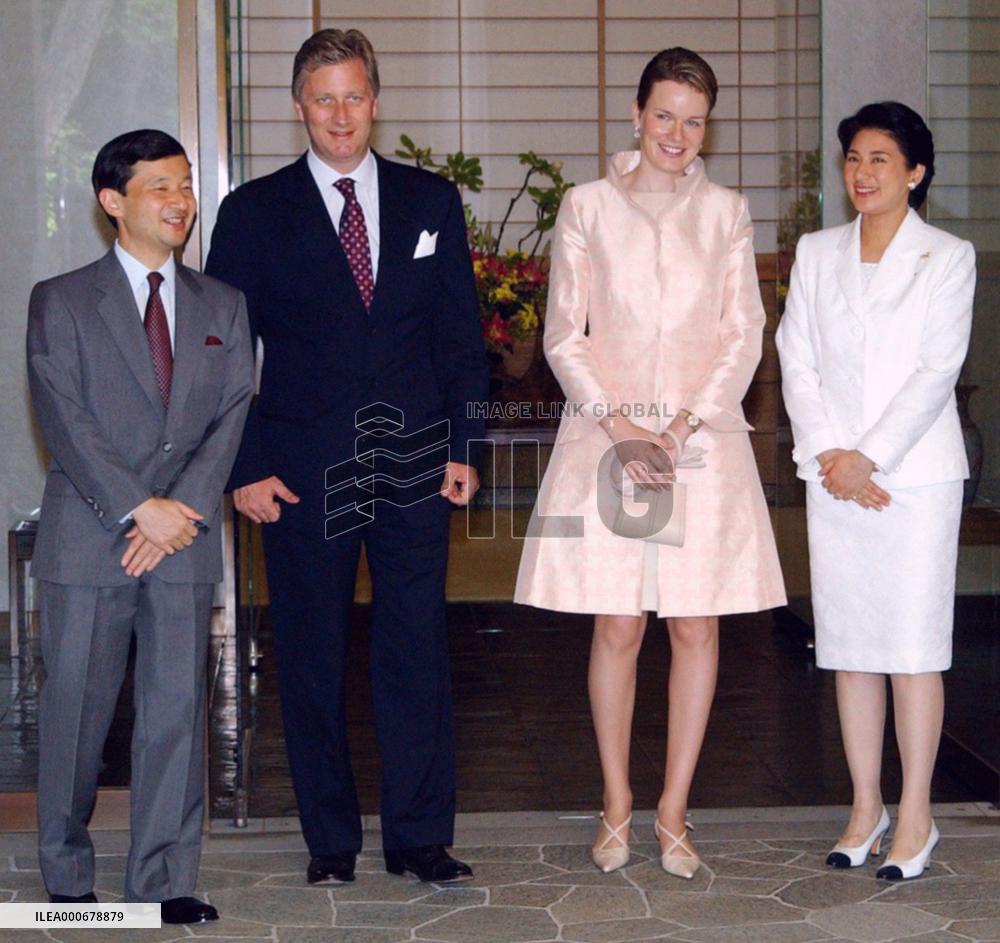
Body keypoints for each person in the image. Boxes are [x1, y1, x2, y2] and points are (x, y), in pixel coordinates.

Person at [205, 28, 488, 885]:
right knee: (313, 653)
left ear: (375, 100)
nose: (340, 114)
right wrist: (244, 466)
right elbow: (224, 353)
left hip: (414, 466)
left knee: (414, 649)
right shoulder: (252, 212)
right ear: (299, 106)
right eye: (322, 98)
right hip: (298, 472)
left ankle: (418, 835)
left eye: (353, 96)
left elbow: (460, 339)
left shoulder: (429, 202)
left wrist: (465, 445)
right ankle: (330, 839)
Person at [515, 48, 785, 878]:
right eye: (664, 114)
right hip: (607, 442)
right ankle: (615, 803)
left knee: (698, 623)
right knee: (619, 623)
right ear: (637, 116)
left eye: (694, 119)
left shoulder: (727, 212)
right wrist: (624, 427)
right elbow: (565, 334)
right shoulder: (588, 207)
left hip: (700, 444)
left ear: (708, 126)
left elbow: (745, 334)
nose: (677, 132)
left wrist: (676, 430)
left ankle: (673, 809)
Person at [26, 129, 254, 922]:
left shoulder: (223, 304)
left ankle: (163, 880)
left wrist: (176, 511)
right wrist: (138, 507)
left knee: (173, 717)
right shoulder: (60, 301)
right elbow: (66, 419)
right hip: (91, 537)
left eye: (186, 184)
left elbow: (229, 417)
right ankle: (64, 867)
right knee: (76, 712)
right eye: (160, 185)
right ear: (113, 201)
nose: (180, 200)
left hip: (183, 538)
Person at [776, 102, 975, 881]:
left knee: (913, 647)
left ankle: (917, 812)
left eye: (881, 159)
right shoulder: (818, 251)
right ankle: (866, 804)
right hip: (834, 478)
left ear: (916, 173)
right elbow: (795, 357)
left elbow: (937, 369)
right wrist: (832, 453)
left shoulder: (948, 256)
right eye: (854, 158)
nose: (862, 173)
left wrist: (870, 458)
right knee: (853, 647)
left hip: (913, 480)